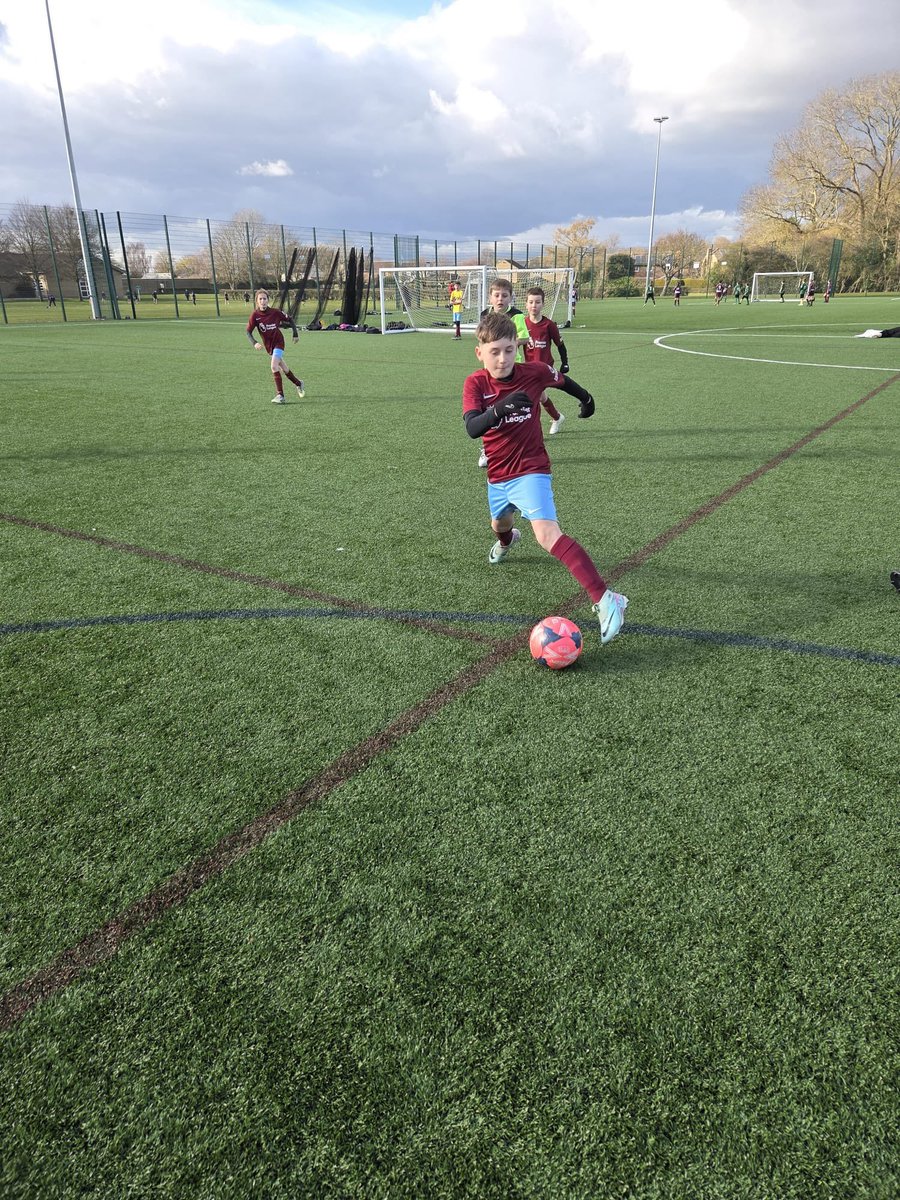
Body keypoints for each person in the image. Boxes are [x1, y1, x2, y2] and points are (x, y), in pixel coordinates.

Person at [462, 310, 628, 644]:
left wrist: (587, 398)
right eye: (494, 351)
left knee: (548, 534)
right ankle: (508, 542)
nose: (503, 358)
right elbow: (471, 427)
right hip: (497, 475)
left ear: (516, 348)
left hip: (531, 468)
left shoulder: (534, 372)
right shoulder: (476, 383)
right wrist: (499, 410)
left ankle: (606, 599)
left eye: (509, 349)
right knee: (500, 526)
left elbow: (561, 380)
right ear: (480, 352)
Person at [476, 278, 529, 468]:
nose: (500, 299)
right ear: (490, 297)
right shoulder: (485, 315)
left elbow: (524, 337)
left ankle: (521, 446)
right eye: (496, 295)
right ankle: (488, 449)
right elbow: (482, 338)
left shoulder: (517, 315)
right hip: (490, 369)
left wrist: (505, 344)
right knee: (489, 409)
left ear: (511, 298)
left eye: (504, 296)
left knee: (518, 410)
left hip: (514, 367)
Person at [246, 288, 305, 404]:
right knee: (284, 368)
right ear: (257, 301)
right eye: (260, 299)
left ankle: (280, 395)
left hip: (279, 342)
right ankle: (298, 383)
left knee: (274, 366)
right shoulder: (255, 315)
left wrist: (295, 334)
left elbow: (290, 319)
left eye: (265, 298)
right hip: (269, 346)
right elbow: (248, 331)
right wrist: (255, 343)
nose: (263, 301)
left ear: (268, 300)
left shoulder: (275, 312)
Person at [524, 286, 569, 435]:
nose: (533, 306)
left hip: (544, 369)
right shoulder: (522, 324)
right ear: (526, 304)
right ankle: (557, 417)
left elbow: (560, 345)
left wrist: (565, 362)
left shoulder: (549, 325)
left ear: (543, 304)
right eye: (531, 302)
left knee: (533, 398)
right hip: (528, 369)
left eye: (537, 302)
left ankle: (534, 432)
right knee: (541, 397)